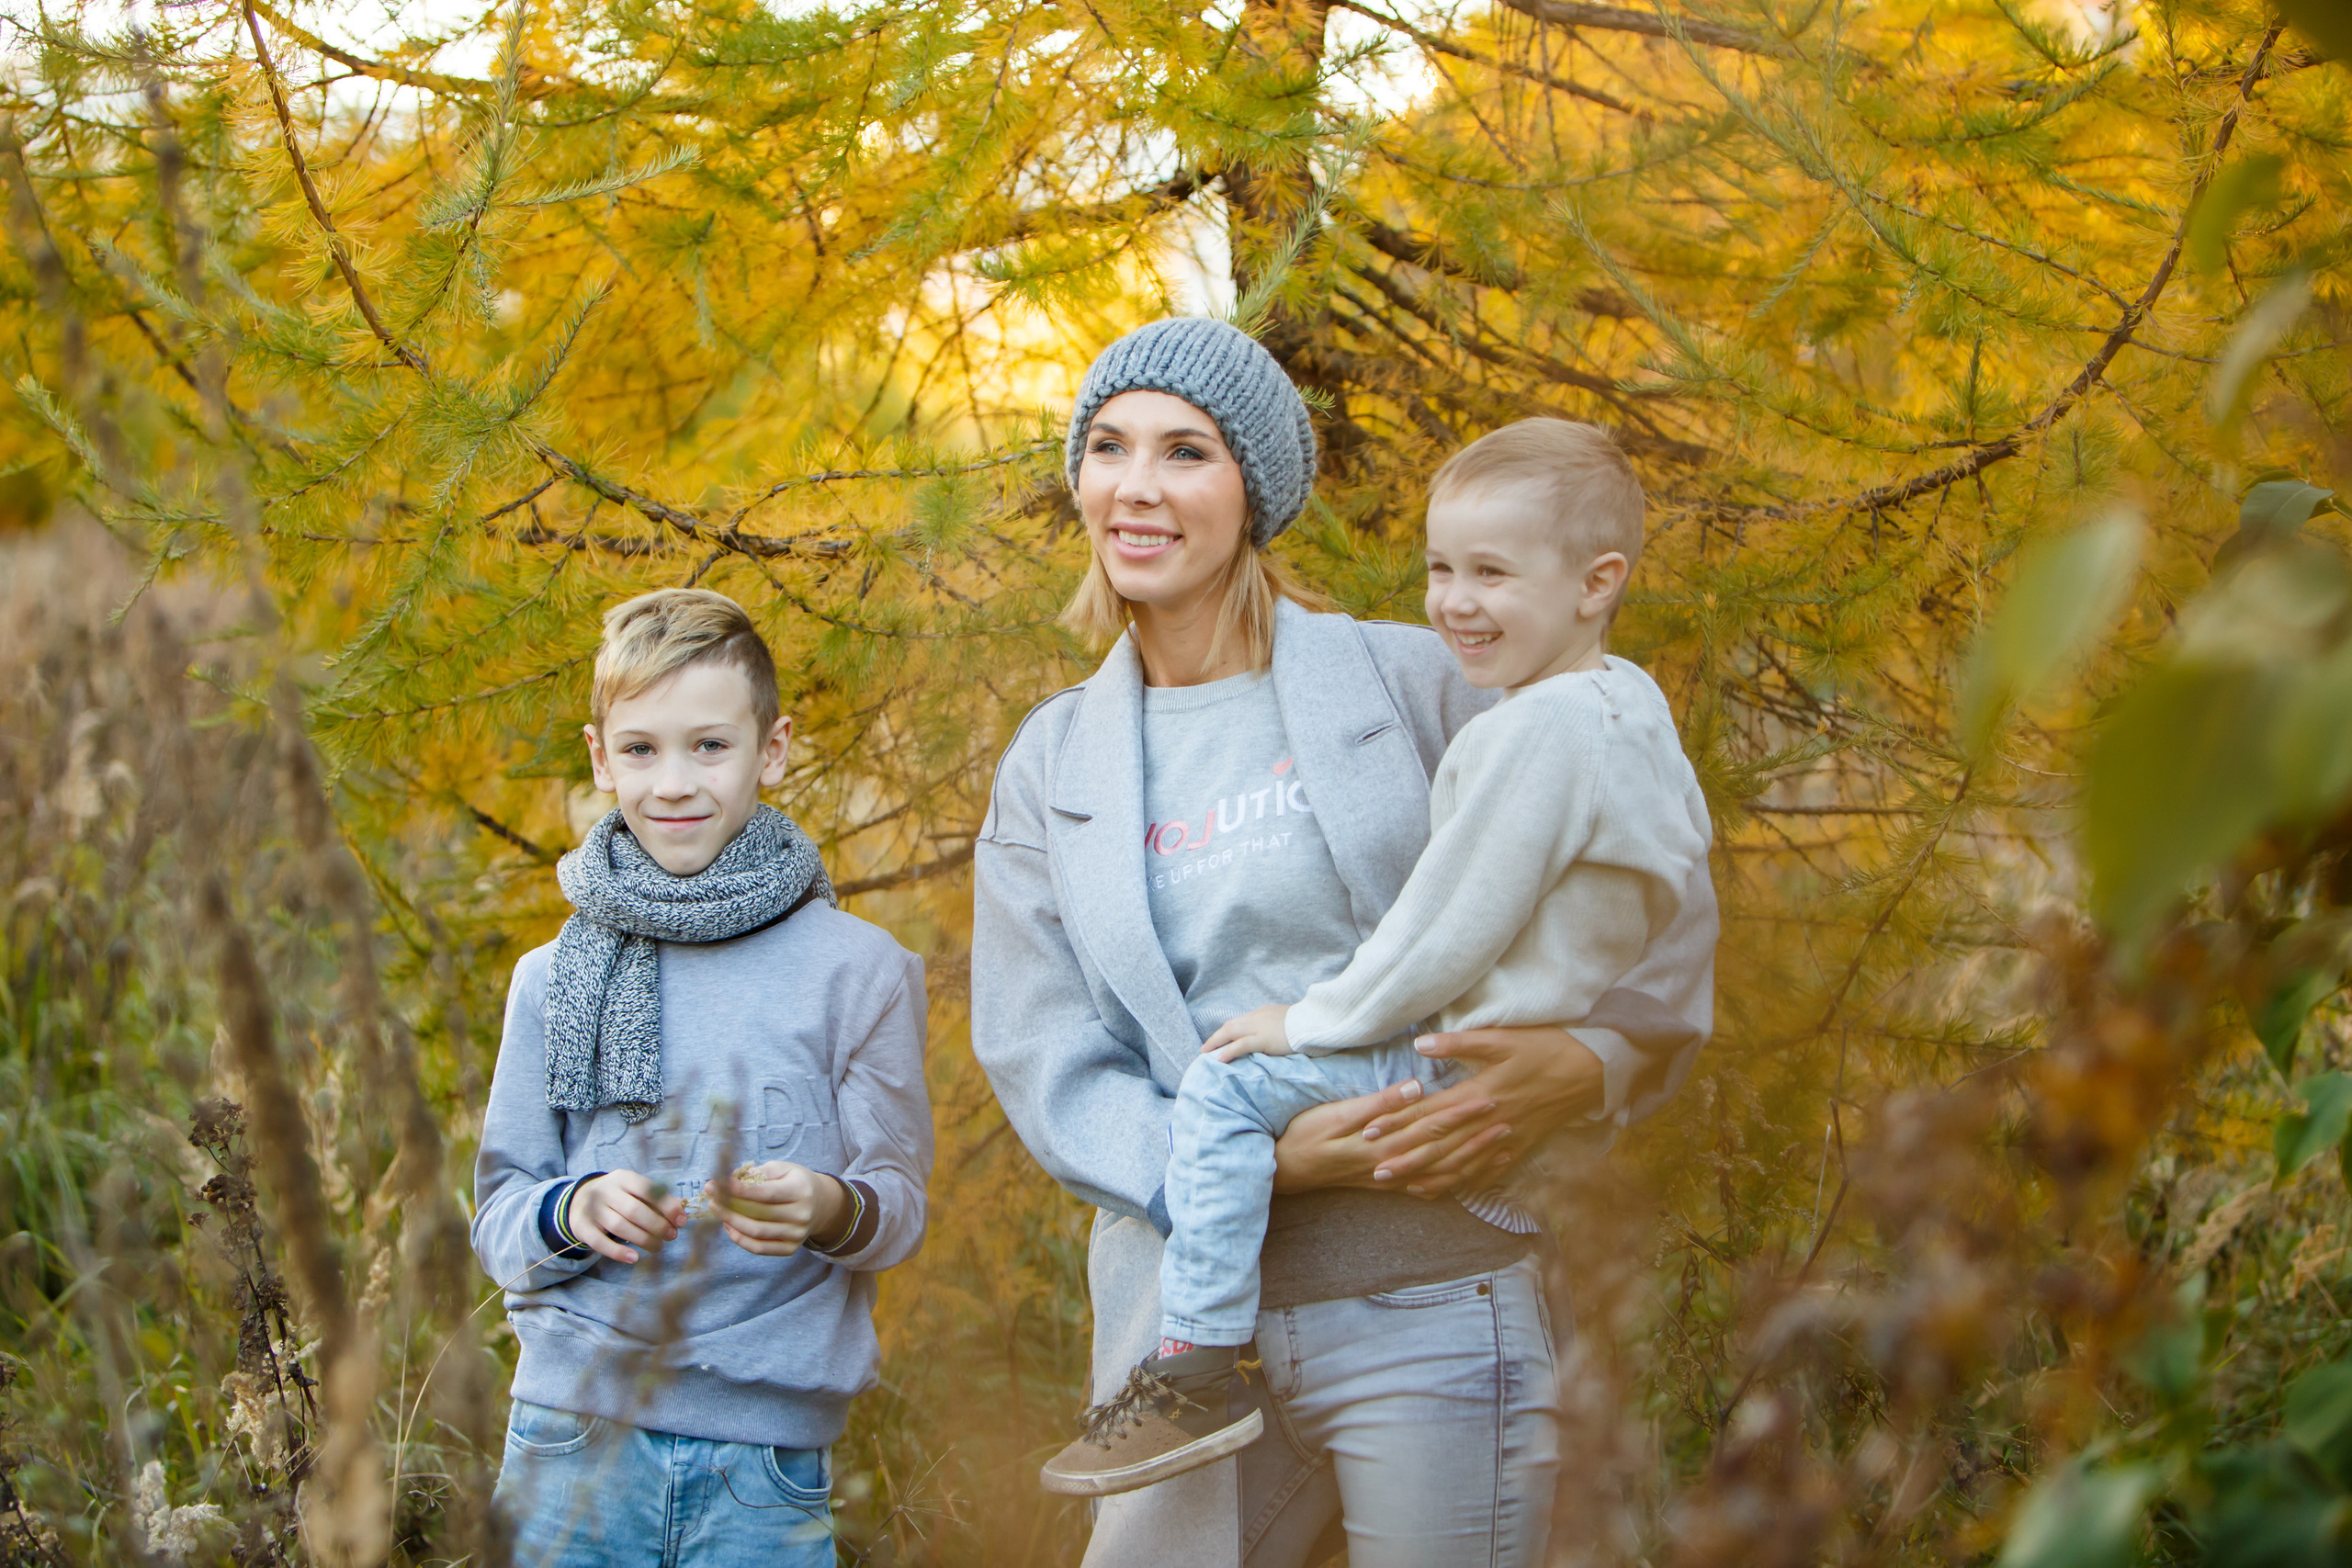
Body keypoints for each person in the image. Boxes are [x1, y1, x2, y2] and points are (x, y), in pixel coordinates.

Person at [971, 318, 1713, 1568]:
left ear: (1251, 489)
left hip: (1439, 1293)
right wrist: (1272, 1156)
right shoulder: (1053, 765)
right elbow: (1046, 1053)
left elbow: (1646, 865)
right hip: (1194, 1339)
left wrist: (1590, 1061)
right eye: (1107, 446)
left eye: (1185, 451)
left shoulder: (1418, 678)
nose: (1136, 485)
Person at [471, 588, 933, 1568]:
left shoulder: (860, 972)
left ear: (771, 749)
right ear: (599, 756)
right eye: (640, 750)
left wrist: (823, 1207)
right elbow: (501, 1217)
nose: (673, 783)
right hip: (569, 1439)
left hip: (765, 1465)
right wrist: (572, 1210)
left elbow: (895, 1209)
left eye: (709, 747)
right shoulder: (552, 980)